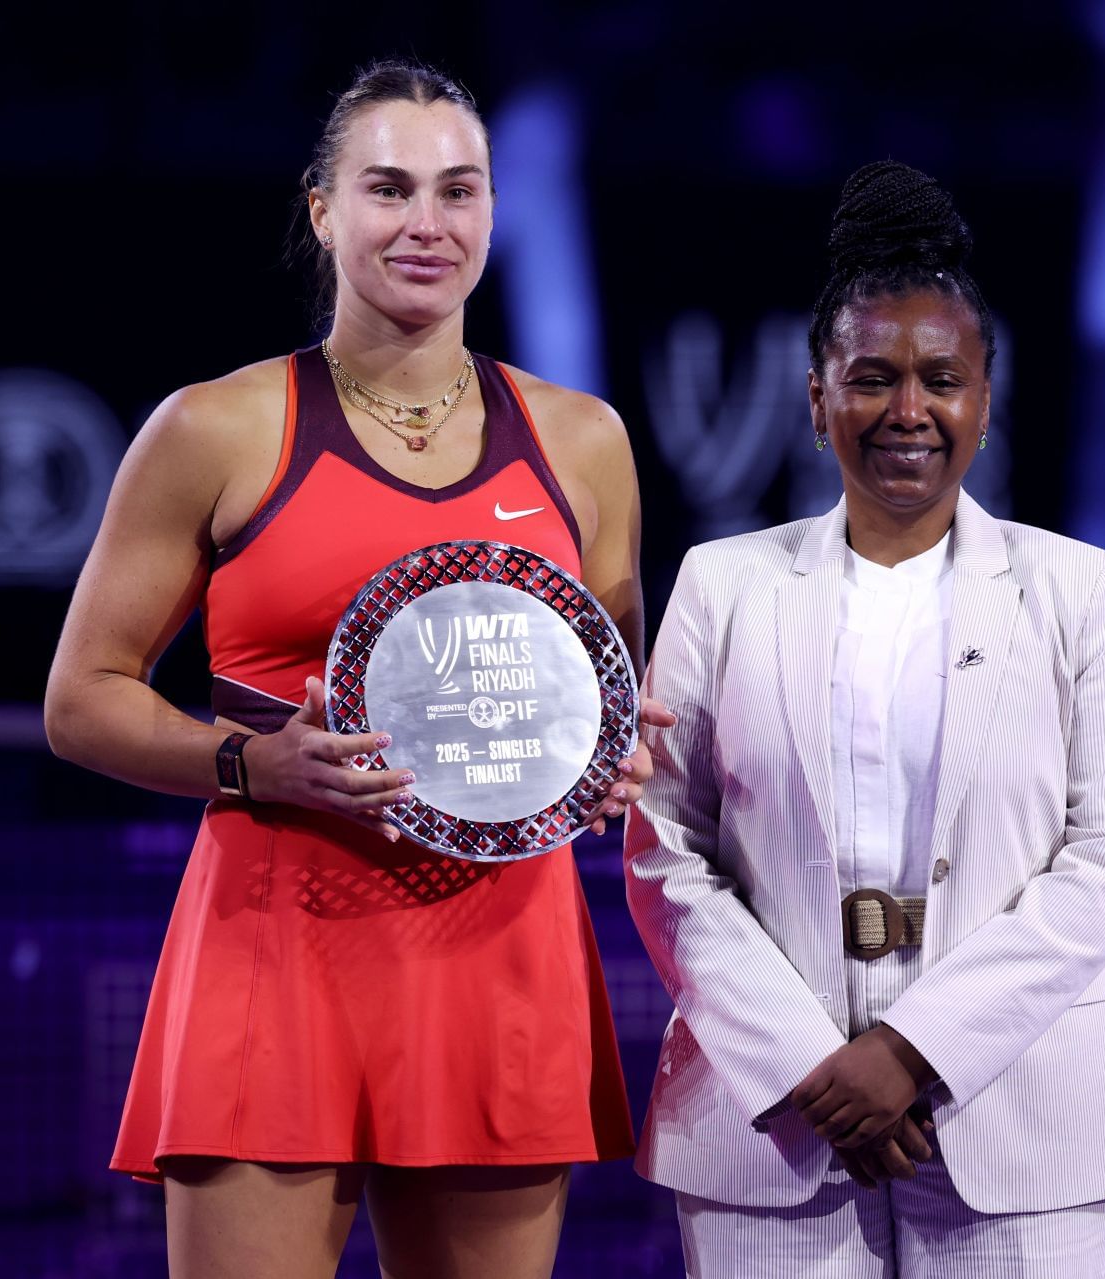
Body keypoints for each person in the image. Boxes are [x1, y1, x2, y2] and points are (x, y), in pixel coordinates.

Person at [44, 59, 668, 1279]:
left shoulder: (584, 442)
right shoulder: (215, 427)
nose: (427, 224)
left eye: (460, 191)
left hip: (503, 958)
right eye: (389, 189)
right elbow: (83, 699)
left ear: (497, 214)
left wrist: (612, 765)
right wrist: (252, 762)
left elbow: (602, 694)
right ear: (324, 211)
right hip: (275, 948)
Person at [623, 161, 1105, 1277]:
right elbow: (661, 848)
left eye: (941, 379)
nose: (907, 410)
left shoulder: (1083, 589)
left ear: (985, 395)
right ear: (816, 399)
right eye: (870, 377)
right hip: (772, 1120)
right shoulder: (722, 584)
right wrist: (811, 1066)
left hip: (1023, 1123)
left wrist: (914, 1051)